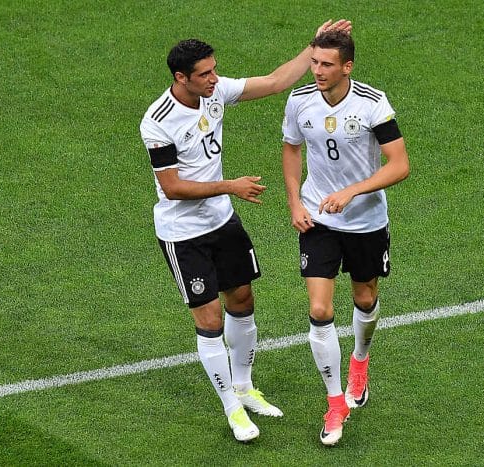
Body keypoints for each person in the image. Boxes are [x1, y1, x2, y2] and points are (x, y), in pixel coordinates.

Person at [139, 20, 352, 443]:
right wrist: (230, 186)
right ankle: (232, 408)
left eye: (214, 70)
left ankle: (244, 386)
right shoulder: (158, 122)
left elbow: (274, 82)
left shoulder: (214, 92)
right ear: (181, 77)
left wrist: (312, 48)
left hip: (222, 221)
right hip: (183, 233)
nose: (214, 79)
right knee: (210, 318)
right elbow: (173, 187)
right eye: (204, 74)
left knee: (242, 298)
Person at [281, 30, 410, 446]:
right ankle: (335, 403)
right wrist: (295, 204)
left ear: (347, 66)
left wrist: (353, 191)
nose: (317, 70)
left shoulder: (374, 104)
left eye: (326, 64)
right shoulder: (299, 100)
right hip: (318, 218)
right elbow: (291, 148)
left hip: (365, 221)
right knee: (319, 309)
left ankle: (359, 361)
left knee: (365, 299)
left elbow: (399, 165)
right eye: (315, 62)